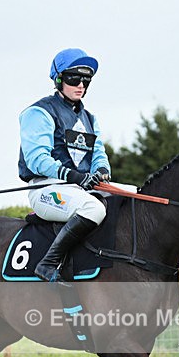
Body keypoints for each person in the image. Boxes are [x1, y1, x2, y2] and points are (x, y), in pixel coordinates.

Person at [18, 47, 111, 283]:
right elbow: (37, 159)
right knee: (94, 210)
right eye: (74, 79)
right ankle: (48, 264)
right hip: (47, 188)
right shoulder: (38, 112)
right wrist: (73, 176)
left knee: (134, 198)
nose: (81, 85)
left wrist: (101, 171)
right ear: (58, 79)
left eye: (86, 80)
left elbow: (99, 153)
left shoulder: (89, 118)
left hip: (81, 189)